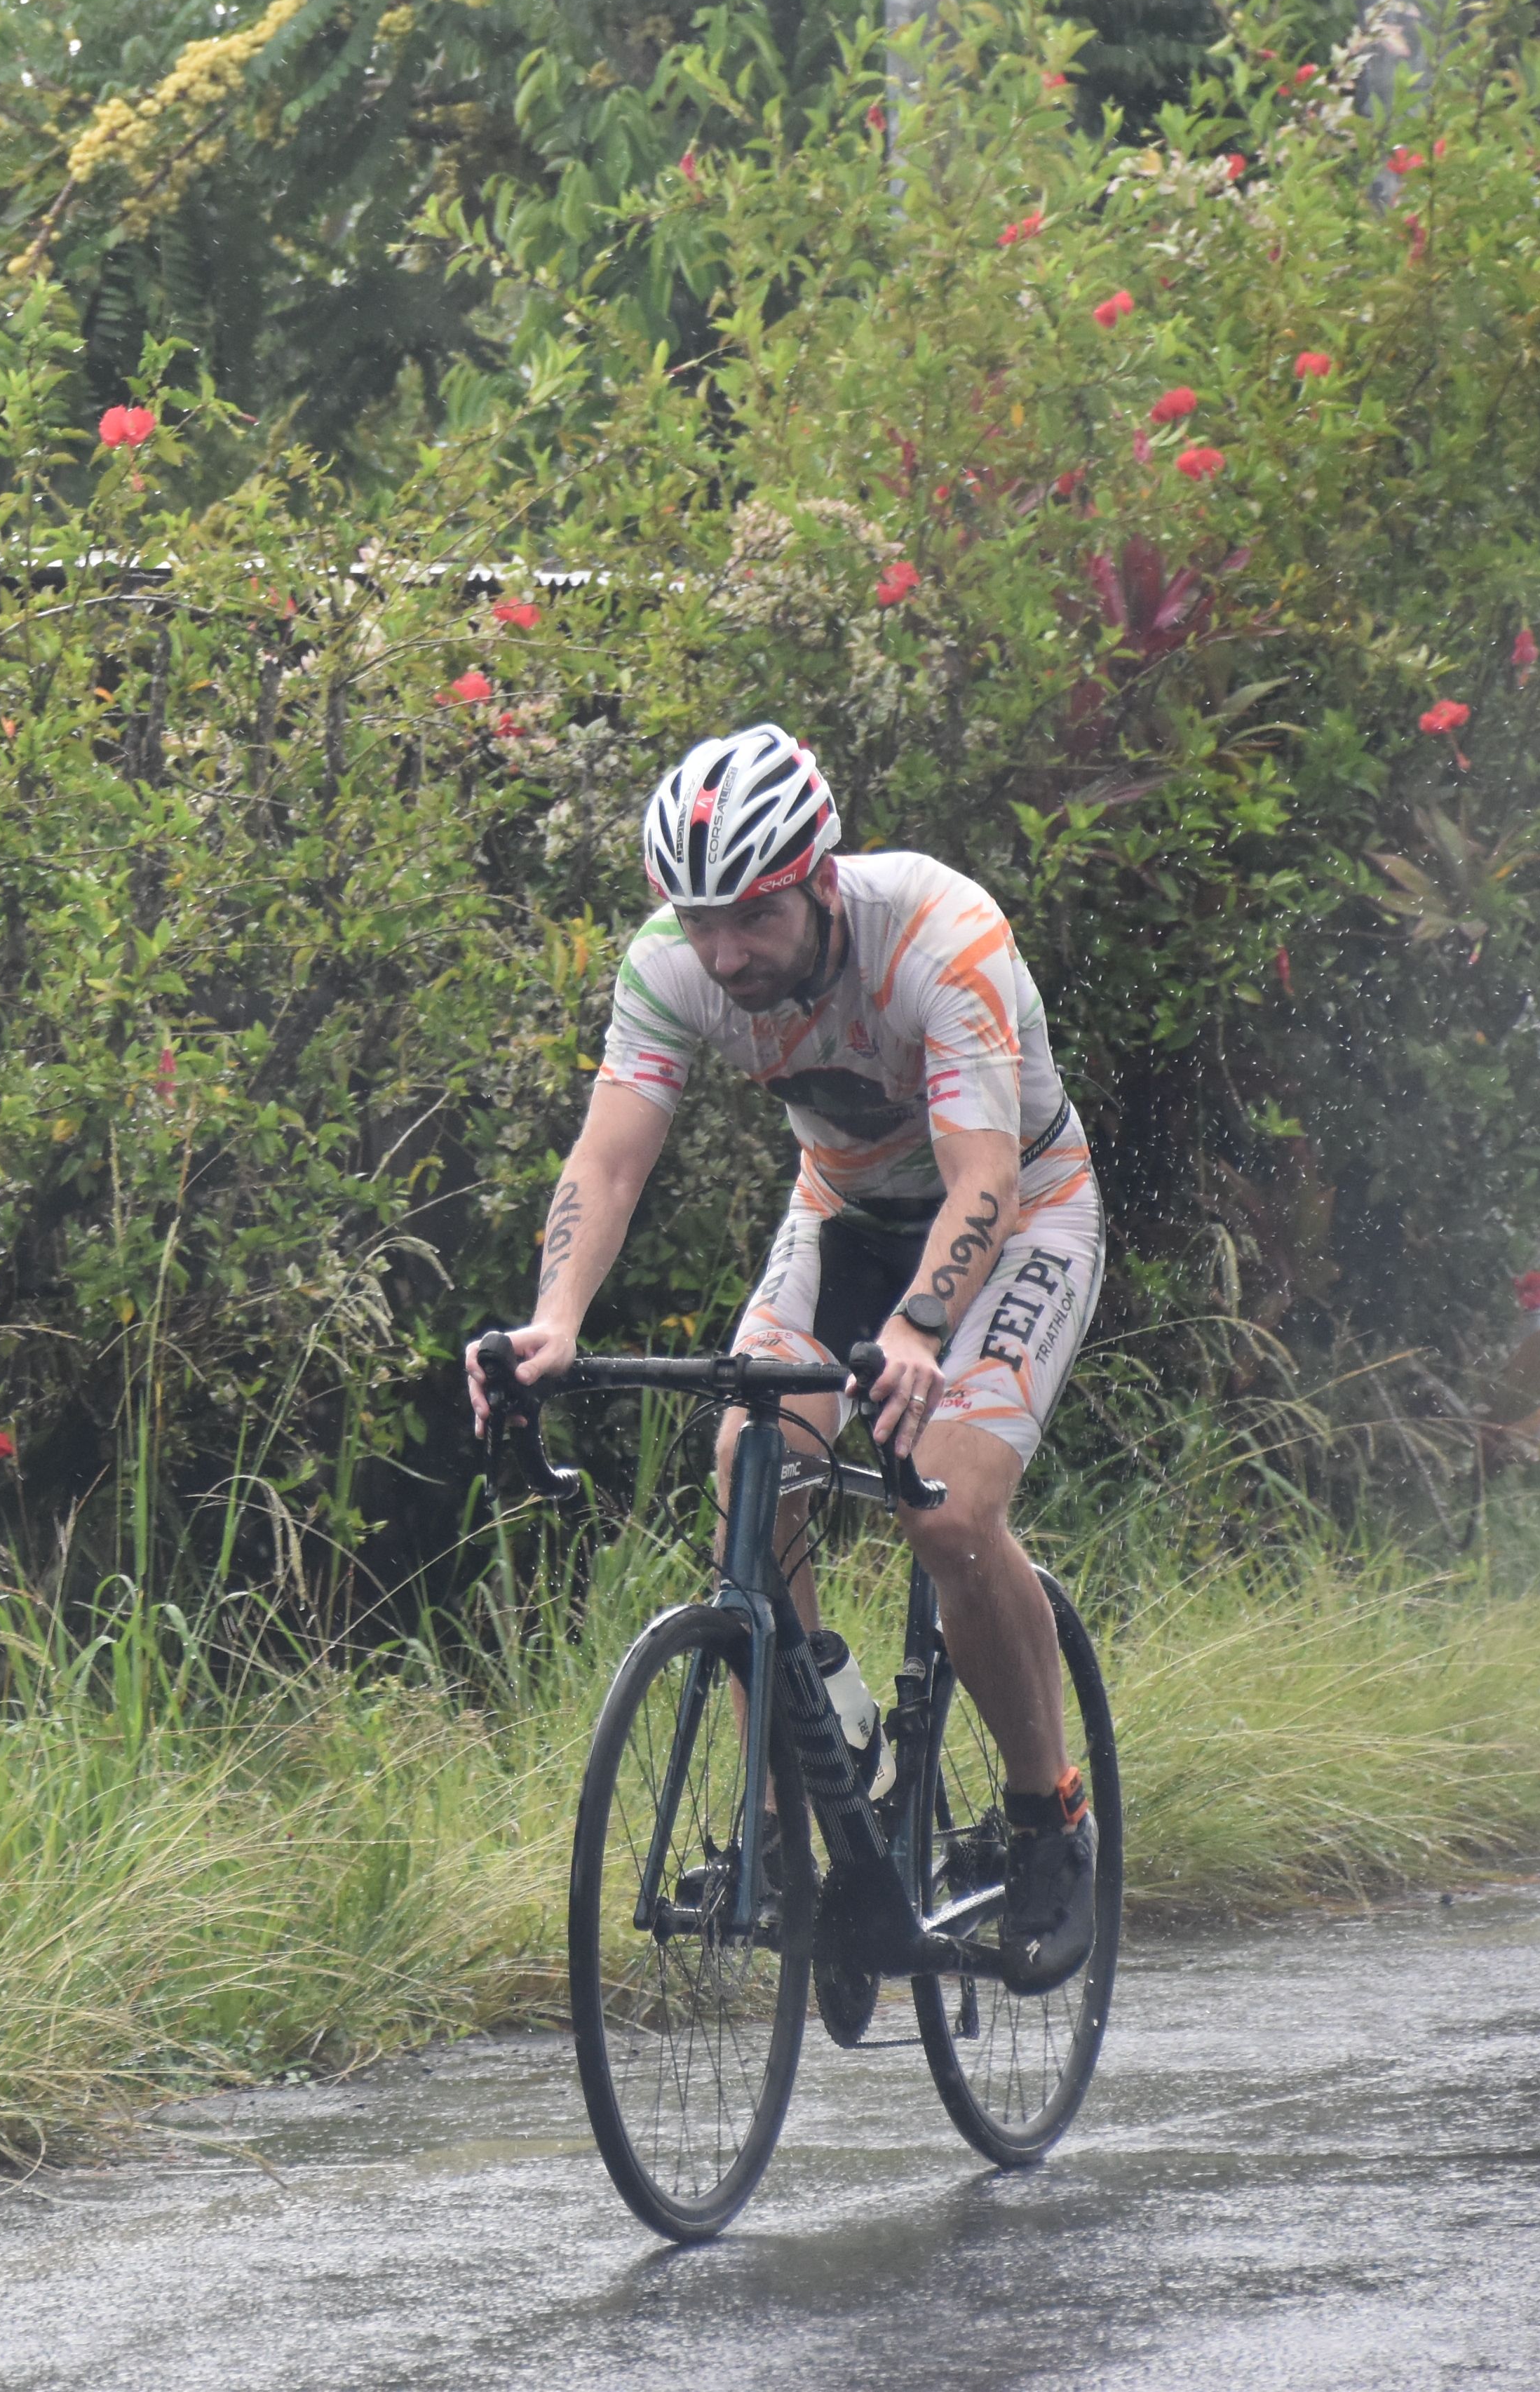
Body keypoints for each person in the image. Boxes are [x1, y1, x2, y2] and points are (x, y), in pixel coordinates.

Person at [471, 723, 1102, 1991]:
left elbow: (982, 1171)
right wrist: (555, 1321)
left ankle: (1050, 1821)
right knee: (751, 1465)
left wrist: (923, 1332)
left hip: (1024, 1212)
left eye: (751, 918)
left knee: (949, 1509)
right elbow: (608, 1159)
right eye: (699, 917)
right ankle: (814, 1781)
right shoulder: (674, 968)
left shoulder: (940, 932)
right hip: (846, 1215)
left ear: (820, 874)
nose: (723, 953)